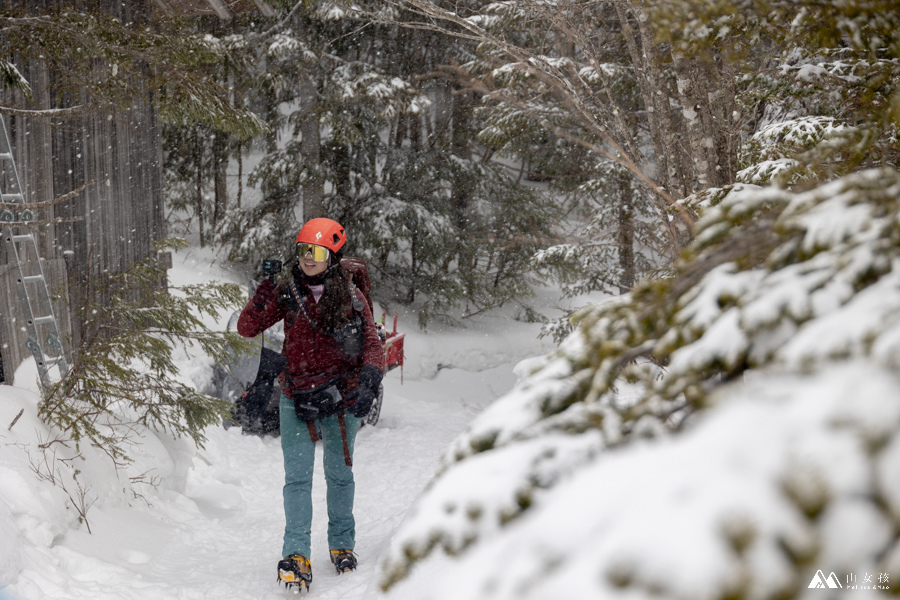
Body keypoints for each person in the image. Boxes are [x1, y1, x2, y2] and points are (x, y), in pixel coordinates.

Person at [237, 217, 384, 592]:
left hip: (341, 399)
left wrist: (369, 380)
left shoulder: (352, 297)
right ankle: (296, 554)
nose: (309, 259)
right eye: (304, 251)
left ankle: (342, 545)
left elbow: (372, 344)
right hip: (296, 397)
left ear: (332, 256)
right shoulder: (287, 293)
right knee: (297, 480)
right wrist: (264, 290)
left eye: (317, 252)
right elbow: (246, 328)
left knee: (338, 476)